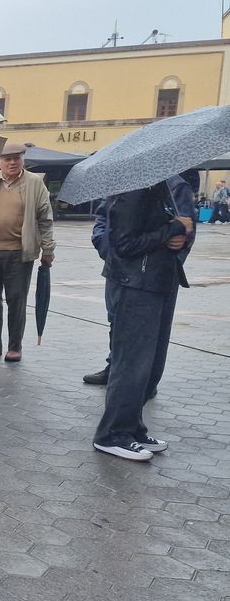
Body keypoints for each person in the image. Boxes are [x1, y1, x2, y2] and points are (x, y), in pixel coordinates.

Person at [93, 179, 193, 461]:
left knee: (148, 365)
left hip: (158, 282)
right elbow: (124, 243)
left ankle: (132, 427)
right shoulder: (133, 189)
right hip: (137, 285)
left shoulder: (159, 186)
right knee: (132, 364)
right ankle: (112, 434)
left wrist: (180, 236)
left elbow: (172, 229)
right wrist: (171, 230)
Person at [84, 175, 197, 387]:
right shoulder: (122, 182)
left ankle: (145, 381)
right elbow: (103, 216)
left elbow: (187, 226)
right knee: (115, 319)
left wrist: (180, 244)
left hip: (151, 275)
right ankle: (114, 365)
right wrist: (104, 246)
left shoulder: (175, 185)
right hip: (118, 267)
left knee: (149, 331)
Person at [0, 143, 55, 363]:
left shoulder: (35, 183)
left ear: (23, 160)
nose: (12, 162)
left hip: (19, 251)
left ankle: (14, 346)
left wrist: (48, 248)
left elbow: (45, 218)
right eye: (7, 159)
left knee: (16, 299)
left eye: (16, 158)